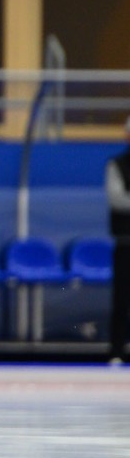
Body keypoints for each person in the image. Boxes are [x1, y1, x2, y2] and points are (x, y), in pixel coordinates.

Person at [106, 115, 130, 364]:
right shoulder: (117, 164)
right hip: (125, 242)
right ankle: (116, 351)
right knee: (121, 299)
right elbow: (117, 199)